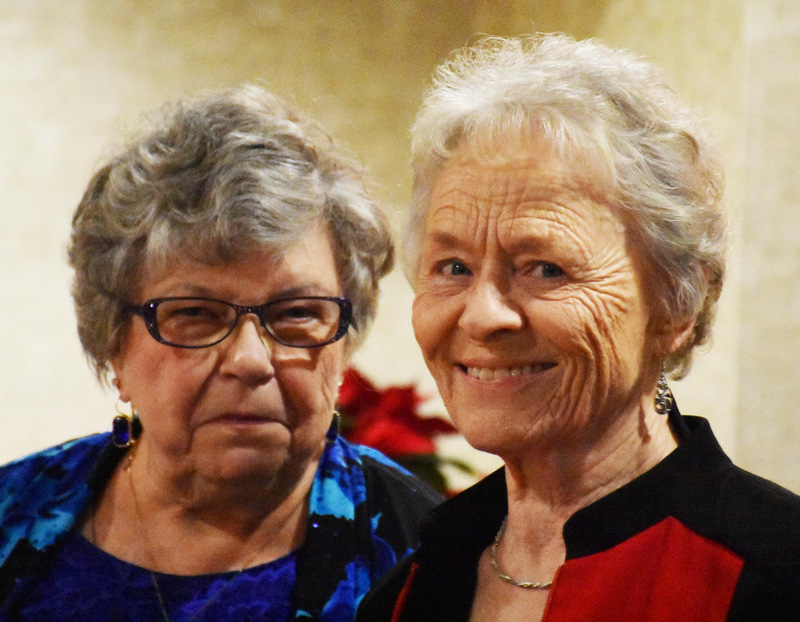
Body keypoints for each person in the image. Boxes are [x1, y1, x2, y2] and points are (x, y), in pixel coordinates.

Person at [356, 34, 800, 622]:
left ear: (677, 304)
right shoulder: (410, 587)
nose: (483, 316)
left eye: (546, 268)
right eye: (454, 267)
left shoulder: (777, 576)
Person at [0, 84, 441, 621]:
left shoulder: (431, 556)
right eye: (195, 314)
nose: (251, 360)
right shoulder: (12, 514)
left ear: (344, 340)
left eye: (296, 313)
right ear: (113, 344)